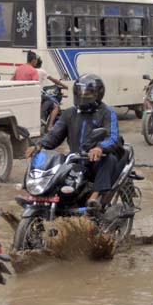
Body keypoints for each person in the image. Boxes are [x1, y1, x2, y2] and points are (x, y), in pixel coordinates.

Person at [27, 73, 121, 212]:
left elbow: (113, 136)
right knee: (56, 172)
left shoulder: (107, 112)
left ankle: (94, 198)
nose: (83, 96)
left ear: (98, 94)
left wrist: (100, 147)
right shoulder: (70, 113)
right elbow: (54, 134)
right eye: (80, 93)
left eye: (88, 93)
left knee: (109, 160)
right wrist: (39, 145)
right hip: (75, 158)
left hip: (96, 159)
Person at [36, 57, 67, 131]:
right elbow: (54, 80)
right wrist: (64, 86)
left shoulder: (29, 70)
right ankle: (49, 126)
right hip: (38, 95)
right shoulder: (41, 71)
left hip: (29, 95)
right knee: (54, 105)